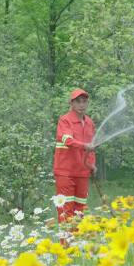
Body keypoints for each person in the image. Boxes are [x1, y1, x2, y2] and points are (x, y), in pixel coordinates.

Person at [53, 88, 97, 222]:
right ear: (71, 103)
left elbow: (91, 147)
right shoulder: (65, 120)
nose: (81, 105)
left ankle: (78, 242)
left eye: (84, 101)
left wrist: (92, 165)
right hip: (66, 173)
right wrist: (84, 145)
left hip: (83, 173)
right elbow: (67, 140)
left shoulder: (90, 122)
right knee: (66, 211)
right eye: (78, 102)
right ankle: (66, 243)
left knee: (80, 212)